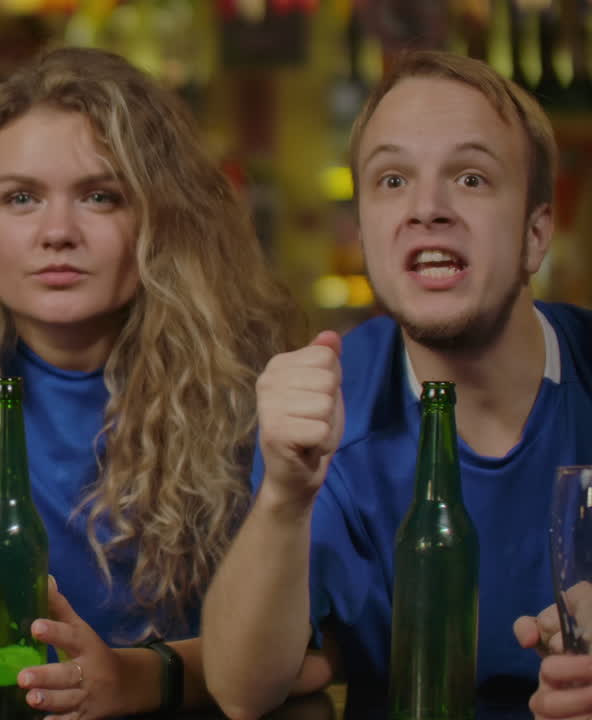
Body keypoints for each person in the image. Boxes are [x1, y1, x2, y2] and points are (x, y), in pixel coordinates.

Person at [0, 47, 303, 718]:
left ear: (159, 218)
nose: (57, 233)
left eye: (101, 197)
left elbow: (306, 651)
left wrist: (136, 679)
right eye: (20, 199)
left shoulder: (243, 377)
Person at [201, 49, 592, 720]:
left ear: (535, 235)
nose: (426, 208)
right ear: (365, 233)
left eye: (471, 178)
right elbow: (242, 690)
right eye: (391, 181)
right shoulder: (332, 398)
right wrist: (285, 499)